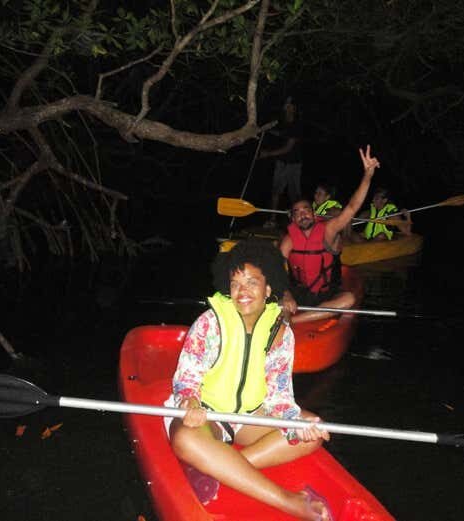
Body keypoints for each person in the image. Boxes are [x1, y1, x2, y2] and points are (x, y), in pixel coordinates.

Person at [166, 239, 333, 520]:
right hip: (206, 414)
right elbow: (187, 376)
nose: (242, 291)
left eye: (252, 282)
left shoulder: (280, 333)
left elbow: (279, 395)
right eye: (235, 284)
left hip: (251, 415)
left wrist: (295, 423)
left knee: (311, 432)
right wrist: (190, 401)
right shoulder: (211, 322)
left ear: (268, 288)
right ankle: (289, 501)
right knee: (185, 439)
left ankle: (222, 468)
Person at [279, 145, 380, 324]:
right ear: (293, 219)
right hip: (298, 292)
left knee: (348, 299)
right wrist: (286, 294)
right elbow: (276, 269)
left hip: (326, 294)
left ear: (313, 214)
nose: (303, 214)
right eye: (297, 212)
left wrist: (368, 175)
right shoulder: (289, 240)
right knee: (276, 295)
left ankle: (294, 321)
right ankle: (282, 322)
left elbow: (351, 208)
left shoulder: (328, 230)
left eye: (306, 210)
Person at [259, 97, 303, 228]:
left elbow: (288, 148)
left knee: (294, 194)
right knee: (276, 192)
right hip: (281, 163)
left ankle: (298, 220)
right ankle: (273, 219)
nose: (287, 107)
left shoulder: (297, 124)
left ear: (294, 109)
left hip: (293, 164)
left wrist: (267, 153)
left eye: (290, 105)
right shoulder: (285, 123)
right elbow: (283, 134)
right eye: (286, 105)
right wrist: (268, 131)